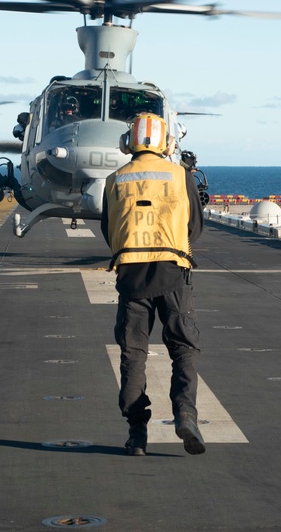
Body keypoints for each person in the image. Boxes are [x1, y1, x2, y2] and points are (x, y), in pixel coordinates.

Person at [100, 113, 205, 457]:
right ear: (167, 143)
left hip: (131, 278)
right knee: (184, 351)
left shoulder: (115, 179)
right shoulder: (179, 176)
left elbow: (107, 228)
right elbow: (195, 227)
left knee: (133, 358)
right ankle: (186, 415)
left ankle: (136, 434)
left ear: (128, 142)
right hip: (173, 274)